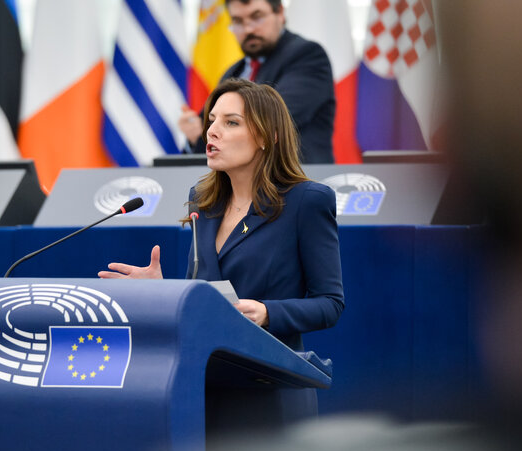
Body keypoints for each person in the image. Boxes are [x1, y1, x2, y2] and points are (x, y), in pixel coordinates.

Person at [100, 78, 344, 350]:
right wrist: (164, 290)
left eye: (231, 122)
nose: (211, 132)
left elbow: (330, 303)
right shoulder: (203, 201)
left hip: (268, 379)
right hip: (206, 375)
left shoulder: (306, 201)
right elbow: (205, 295)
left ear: (267, 136)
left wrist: (267, 313)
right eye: (212, 120)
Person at [178, 0, 335, 164]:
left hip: (296, 180)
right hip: (239, 185)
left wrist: (211, 130)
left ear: (280, 13)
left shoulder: (307, 56)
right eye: (238, 21)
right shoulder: (233, 72)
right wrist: (195, 135)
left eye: (257, 17)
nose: (248, 29)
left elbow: (273, 119)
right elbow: (207, 132)